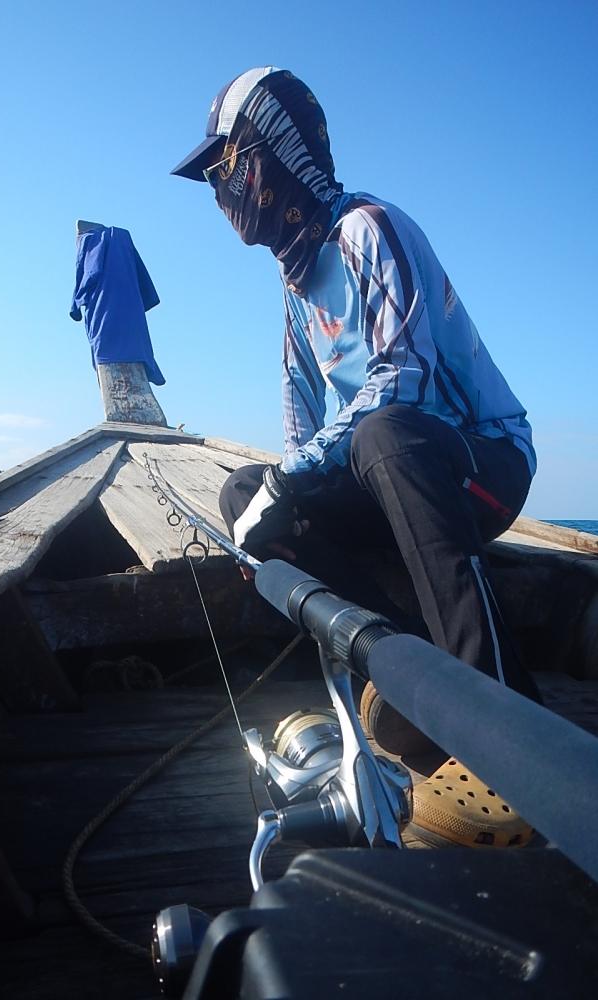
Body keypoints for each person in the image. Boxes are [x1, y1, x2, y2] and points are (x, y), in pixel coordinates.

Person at [172, 67, 539, 849]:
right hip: (386, 475)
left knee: (387, 433)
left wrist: (296, 478)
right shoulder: (293, 285)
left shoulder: (368, 229)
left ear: (273, 156)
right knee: (244, 495)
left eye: (225, 166)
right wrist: (273, 499)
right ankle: (408, 681)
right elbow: (299, 427)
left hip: (475, 463)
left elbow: (402, 378)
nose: (219, 190)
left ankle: (507, 742)